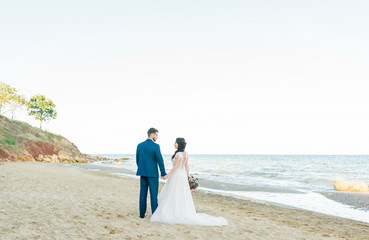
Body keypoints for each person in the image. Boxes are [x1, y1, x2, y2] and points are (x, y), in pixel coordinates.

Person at [150, 138, 228, 226]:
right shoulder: (185, 153)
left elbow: (175, 167)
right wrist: (187, 176)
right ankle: (181, 210)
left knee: (173, 192)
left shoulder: (179, 154)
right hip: (182, 175)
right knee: (181, 193)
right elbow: (187, 165)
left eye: (175, 143)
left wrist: (167, 175)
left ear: (179, 144)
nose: (174, 144)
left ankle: (173, 210)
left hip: (177, 175)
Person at [136, 128, 167, 218]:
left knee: (143, 194)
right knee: (154, 195)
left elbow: (138, 160)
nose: (157, 137)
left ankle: (141, 214)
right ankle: (155, 214)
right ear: (152, 134)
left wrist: (142, 168)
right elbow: (160, 160)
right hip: (152, 174)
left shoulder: (140, 145)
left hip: (143, 172)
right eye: (156, 135)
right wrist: (163, 173)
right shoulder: (156, 146)